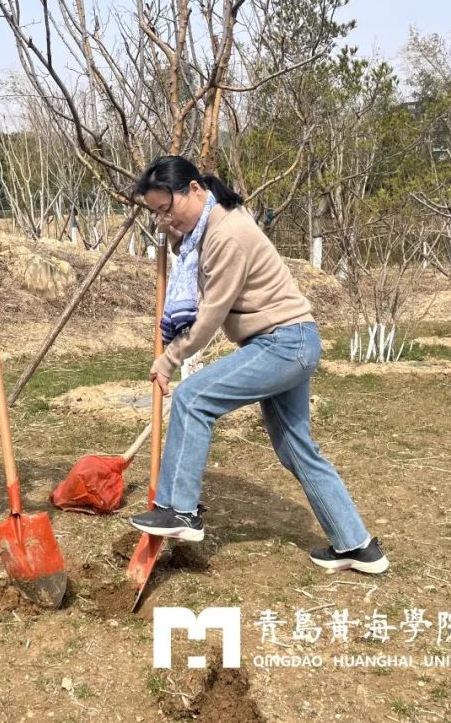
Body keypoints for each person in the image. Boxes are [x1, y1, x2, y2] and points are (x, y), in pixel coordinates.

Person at [127, 155, 388, 575]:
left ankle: (179, 511)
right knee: (295, 447)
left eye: (167, 208)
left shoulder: (228, 233)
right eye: (156, 213)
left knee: (193, 398)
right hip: (290, 341)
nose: (164, 219)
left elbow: (211, 314)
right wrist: (174, 236)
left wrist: (170, 358)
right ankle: (356, 544)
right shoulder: (214, 223)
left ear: (194, 189)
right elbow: (197, 257)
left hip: (282, 343)